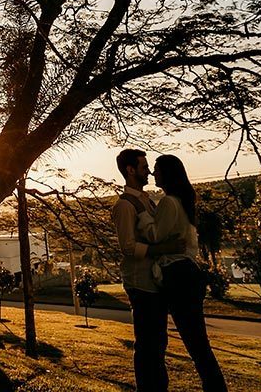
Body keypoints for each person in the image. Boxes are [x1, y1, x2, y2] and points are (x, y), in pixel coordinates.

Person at [131, 153, 228, 392]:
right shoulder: (182, 202)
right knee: (198, 343)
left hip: (178, 275)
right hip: (187, 273)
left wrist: (142, 214)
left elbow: (154, 235)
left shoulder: (168, 202)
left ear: (167, 173)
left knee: (195, 343)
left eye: (156, 169)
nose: (153, 173)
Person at [112, 148, 186, 392]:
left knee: (158, 343)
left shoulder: (146, 200)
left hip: (154, 282)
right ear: (131, 170)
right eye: (144, 168)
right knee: (147, 346)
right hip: (140, 283)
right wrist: (165, 247)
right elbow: (128, 247)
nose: (149, 172)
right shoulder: (124, 205)